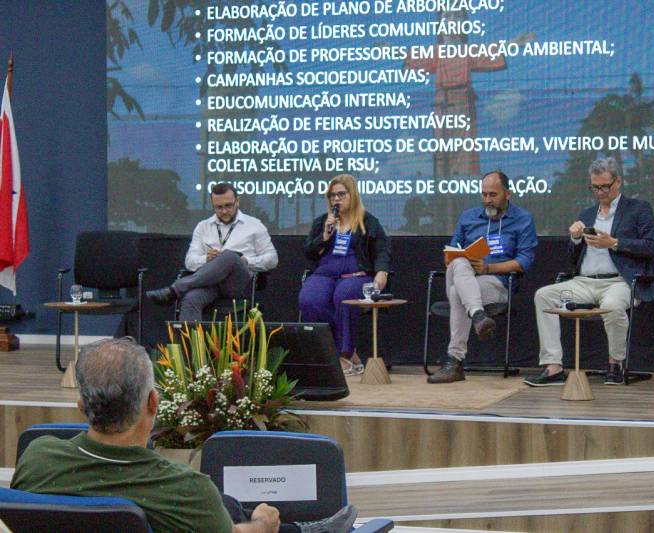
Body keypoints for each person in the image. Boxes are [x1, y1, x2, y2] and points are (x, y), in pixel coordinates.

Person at [11, 338, 357, 533]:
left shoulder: (37, 459)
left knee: (227, 505)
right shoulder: (185, 490)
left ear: (81, 407)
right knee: (235, 511)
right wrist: (262, 526)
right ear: (153, 402)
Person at [525, 157, 654, 387]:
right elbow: (573, 259)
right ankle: (553, 366)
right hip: (584, 283)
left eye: (605, 187)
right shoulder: (587, 214)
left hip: (619, 282)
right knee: (544, 295)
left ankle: (615, 363)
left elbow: (652, 247)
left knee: (613, 306)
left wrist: (613, 243)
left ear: (618, 182)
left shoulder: (638, 209)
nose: (600, 193)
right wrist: (575, 239)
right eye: (595, 187)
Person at [427, 170, 538, 384]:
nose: (487, 200)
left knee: (456, 292)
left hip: (496, 283)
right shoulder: (468, 217)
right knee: (459, 262)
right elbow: (451, 252)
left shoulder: (523, 219)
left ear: (508, 194)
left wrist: (488, 268)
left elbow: (524, 261)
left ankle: (454, 362)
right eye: (484, 194)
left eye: (493, 195)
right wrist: (459, 258)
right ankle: (478, 316)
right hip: (462, 275)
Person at [299, 174, 391, 375]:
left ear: (353, 195)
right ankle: (329, 352)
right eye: (332, 196)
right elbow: (308, 253)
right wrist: (325, 235)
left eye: (341, 194)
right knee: (310, 298)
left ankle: (346, 354)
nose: (336, 199)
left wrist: (382, 272)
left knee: (344, 296)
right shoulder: (323, 222)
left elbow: (382, 250)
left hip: (356, 274)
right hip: (325, 273)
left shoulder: (368, 221)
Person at [146, 182, 278, 322]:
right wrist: (205, 259)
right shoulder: (203, 227)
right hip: (209, 283)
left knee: (229, 256)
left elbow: (272, 258)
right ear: (213, 205)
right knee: (191, 298)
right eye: (219, 207)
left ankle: (175, 290)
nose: (224, 211)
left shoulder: (254, 225)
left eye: (228, 206)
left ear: (237, 201)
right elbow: (189, 262)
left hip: (237, 283)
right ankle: (189, 337)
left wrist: (246, 261)